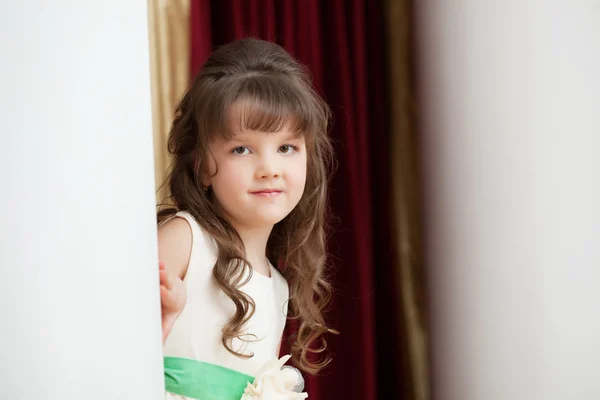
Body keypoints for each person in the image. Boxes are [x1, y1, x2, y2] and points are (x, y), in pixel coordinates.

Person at [156, 37, 337, 399]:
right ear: (202, 165)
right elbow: (107, 350)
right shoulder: (183, 239)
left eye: (286, 147)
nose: (269, 169)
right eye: (242, 149)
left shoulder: (278, 286)